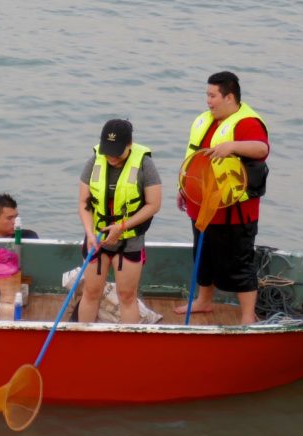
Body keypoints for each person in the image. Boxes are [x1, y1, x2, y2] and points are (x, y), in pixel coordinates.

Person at [174, 71, 270, 325]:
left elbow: (262, 149)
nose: (208, 101)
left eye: (212, 95)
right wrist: (184, 189)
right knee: (203, 257)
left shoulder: (246, 123)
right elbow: (194, 160)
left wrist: (232, 146)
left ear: (229, 97)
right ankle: (204, 301)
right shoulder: (206, 121)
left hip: (234, 212)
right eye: (207, 95)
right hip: (203, 207)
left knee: (239, 263)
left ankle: (248, 315)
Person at [76, 119, 162, 323]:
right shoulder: (94, 161)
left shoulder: (145, 164)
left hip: (129, 240)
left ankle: (128, 347)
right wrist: (89, 233)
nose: (111, 156)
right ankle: (85, 342)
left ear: (129, 145)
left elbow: (154, 204)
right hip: (97, 238)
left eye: (117, 151)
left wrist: (122, 227)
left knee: (127, 296)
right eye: (108, 150)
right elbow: (83, 203)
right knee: (90, 292)